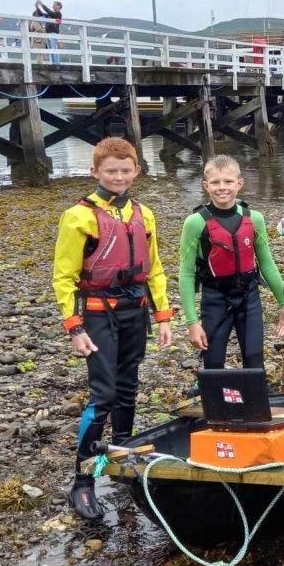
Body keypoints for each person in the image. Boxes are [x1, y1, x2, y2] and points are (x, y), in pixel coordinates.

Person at [51, 137, 174, 519]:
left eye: (125, 170)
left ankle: (121, 454)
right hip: (97, 313)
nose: (118, 177)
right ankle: (83, 480)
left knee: (128, 386)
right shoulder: (79, 217)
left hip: (134, 310)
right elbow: (64, 277)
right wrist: (75, 328)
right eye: (110, 171)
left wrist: (163, 314)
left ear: (136, 171)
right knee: (102, 394)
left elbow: (153, 269)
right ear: (95, 172)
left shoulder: (144, 214)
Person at [179, 155, 284, 371]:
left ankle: (253, 397)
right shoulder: (195, 222)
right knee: (212, 363)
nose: (222, 187)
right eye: (215, 182)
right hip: (214, 299)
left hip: (249, 298)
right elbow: (186, 273)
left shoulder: (254, 218)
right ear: (206, 186)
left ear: (239, 183)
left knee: (254, 361)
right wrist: (192, 322)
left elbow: (267, 263)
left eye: (228, 181)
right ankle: (210, 392)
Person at [35, 0, 63, 64]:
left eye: (54, 5)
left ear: (59, 6)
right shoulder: (51, 15)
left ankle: (56, 63)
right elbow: (41, 14)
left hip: (53, 32)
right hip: (48, 32)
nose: (53, 6)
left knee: (54, 48)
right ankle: (53, 63)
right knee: (50, 49)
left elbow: (50, 12)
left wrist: (42, 5)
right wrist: (37, 7)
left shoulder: (58, 14)